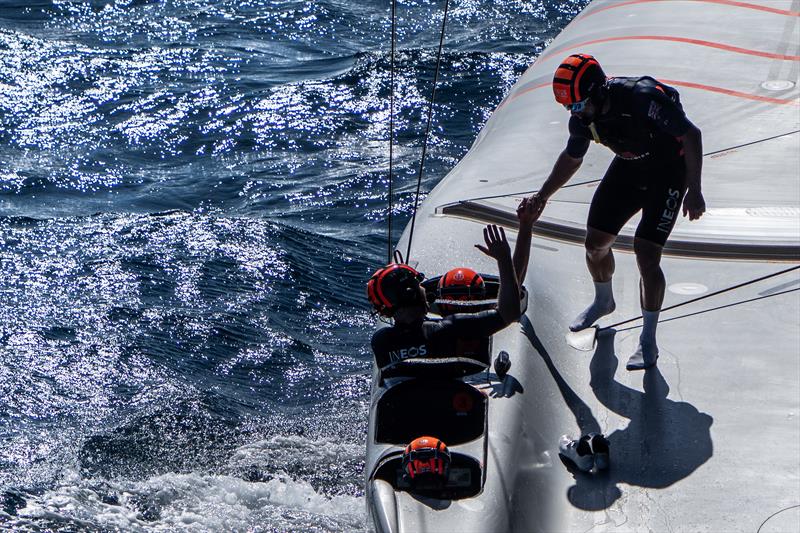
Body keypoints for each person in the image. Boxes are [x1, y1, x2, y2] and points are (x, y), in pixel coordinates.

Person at [530, 53, 706, 370]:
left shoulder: (642, 98)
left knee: (646, 253)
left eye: (579, 105)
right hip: (629, 169)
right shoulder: (583, 120)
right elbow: (571, 158)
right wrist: (542, 196)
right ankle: (603, 301)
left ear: (598, 92)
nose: (576, 113)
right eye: (569, 108)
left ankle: (648, 341)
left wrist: (694, 189)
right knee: (594, 244)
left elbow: (691, 135)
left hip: (668, 173)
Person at [367, 199, 537, 369]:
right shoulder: (452, 329)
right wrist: (504, 258)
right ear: (411, 294)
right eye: (420, 286)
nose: (425, 290)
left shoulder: (381, 341)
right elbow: (510, 312)